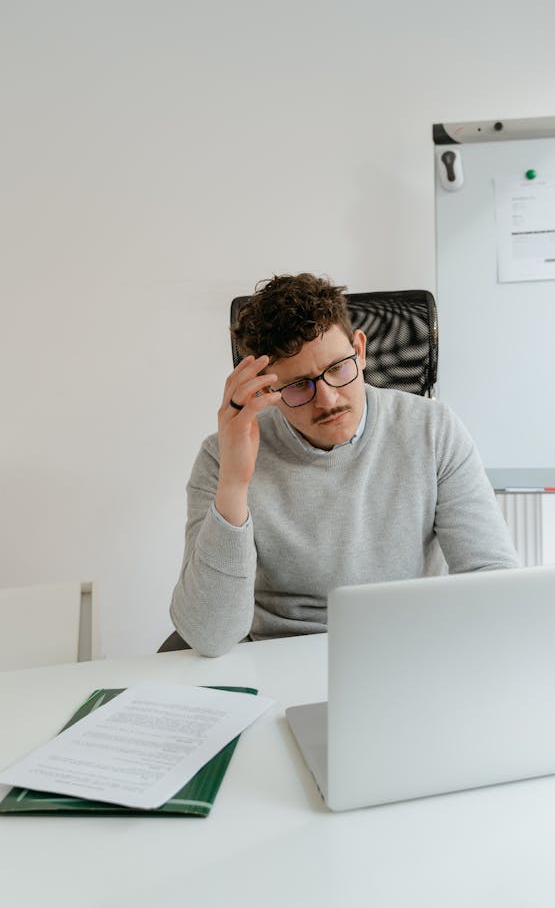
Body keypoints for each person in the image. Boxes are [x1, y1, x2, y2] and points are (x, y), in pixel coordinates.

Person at [170, 273, 519, 655]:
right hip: (284, 655)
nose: (329, 400)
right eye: (299, 385)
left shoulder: (433, 430)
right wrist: (235, 483)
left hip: (412, 651)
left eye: (338, 368)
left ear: (361, 348)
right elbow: (209, 635)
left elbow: (493, 582)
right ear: (267, 389)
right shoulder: (222, 456)